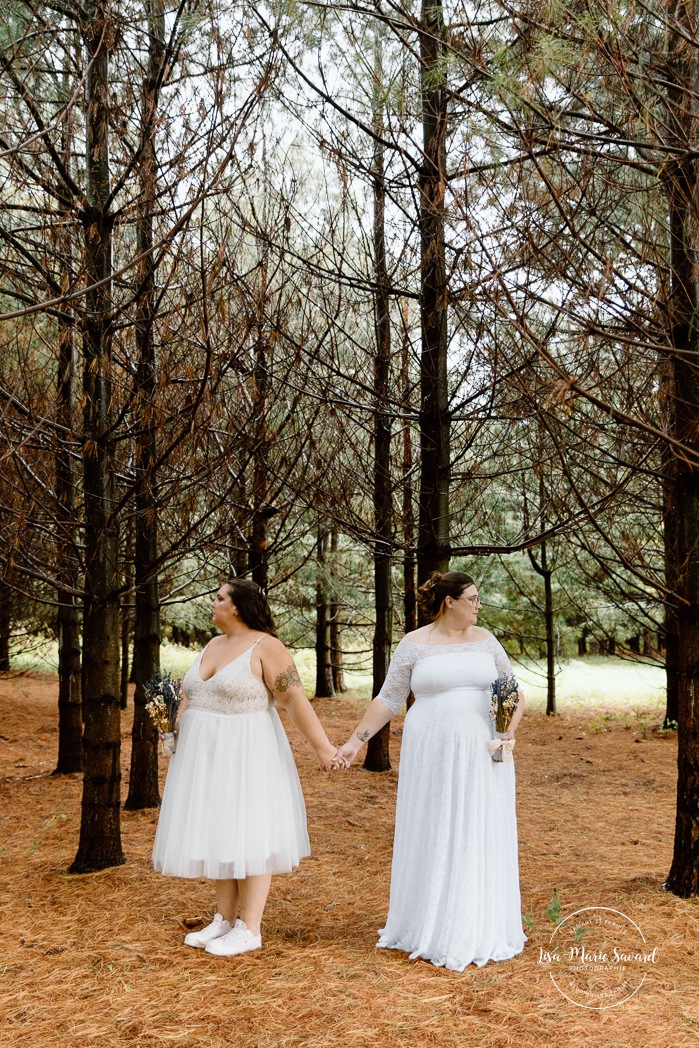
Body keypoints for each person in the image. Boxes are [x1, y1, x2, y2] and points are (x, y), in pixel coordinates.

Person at [334, 571, 526, 971]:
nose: (478, 605)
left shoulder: (486, 641)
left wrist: (509, 730)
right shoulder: (414, 645)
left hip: (481, 751)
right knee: (435, 826)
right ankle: (430, 924)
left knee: (477, 827)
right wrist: (355, 742)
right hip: (431, 752)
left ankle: (475, 924)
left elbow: (513, 691)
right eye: (472, 598)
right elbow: (388, 698)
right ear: (449, 602)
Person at [152, 579, 341, 957]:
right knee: (220, 831)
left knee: (251, 831)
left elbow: (293, 699)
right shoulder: (212, 644)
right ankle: (224, 919)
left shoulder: (266, 646)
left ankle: (249, 927)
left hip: (248, 753)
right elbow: (190, 694)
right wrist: (172, 730)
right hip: (204, 756)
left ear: (237, 607)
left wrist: (323, 747)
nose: (213, 602)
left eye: (219, 597)